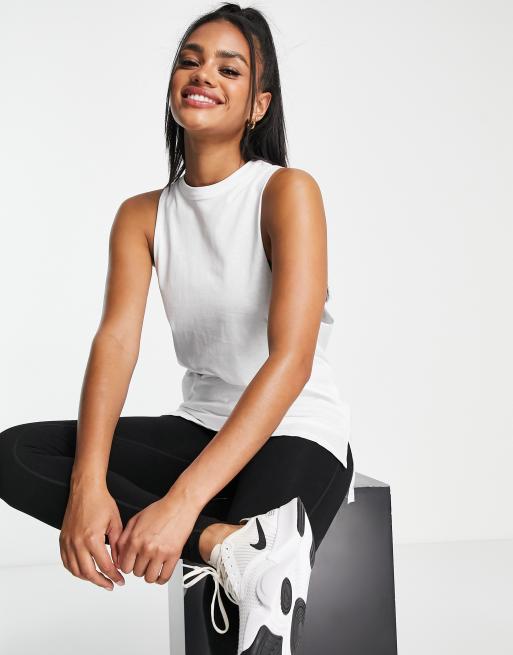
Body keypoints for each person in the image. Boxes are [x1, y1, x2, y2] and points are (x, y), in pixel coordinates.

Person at [0, 4, 355, 654]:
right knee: (16, 453)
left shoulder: (286, 192)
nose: (203, 74)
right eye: (190, 61)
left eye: (229, 68)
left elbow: (292, 360)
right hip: (199, 425)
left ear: (258, 104)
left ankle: (231, 546)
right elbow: (116, 342)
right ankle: (225, 545)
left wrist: (181, 504)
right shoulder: (141, 216)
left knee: (243, 629)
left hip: (294, 427)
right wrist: (87, 485)